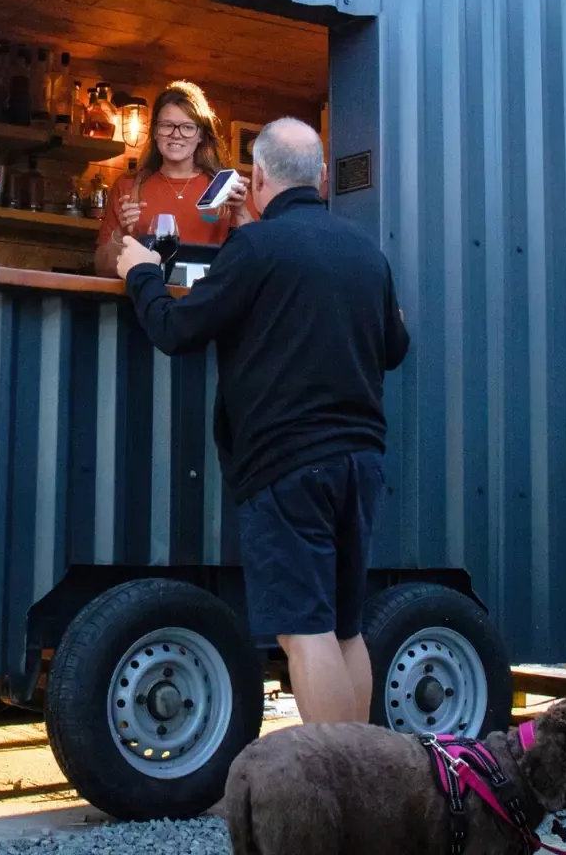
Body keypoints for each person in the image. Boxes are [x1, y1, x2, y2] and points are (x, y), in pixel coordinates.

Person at [115, 117, 410, 723]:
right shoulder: (365, 253)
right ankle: (369, 788)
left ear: (258, 180)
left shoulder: (252, 249)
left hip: (286, 466)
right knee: (345, 629)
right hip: (362, 463)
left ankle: (335, 790)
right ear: (323, 179)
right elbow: (396, 346)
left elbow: (177, 331)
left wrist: (140, 272)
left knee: (305, 632)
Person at [94, 81, 253, 278]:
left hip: (208, 303)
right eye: (167, 126)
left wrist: (241, 210)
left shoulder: (226, 188)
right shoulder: (127, 187)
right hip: (143, 301)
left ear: (201, 135)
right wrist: (121, 233)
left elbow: (257, 262)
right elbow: (102, 268)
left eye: (187, 127)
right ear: (154, 132)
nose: (176, 135)